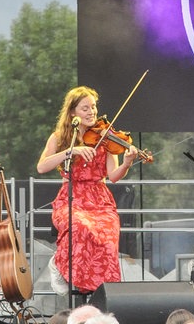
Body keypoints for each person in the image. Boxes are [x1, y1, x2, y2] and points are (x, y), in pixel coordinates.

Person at [37, 86, 141, 296]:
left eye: (93, 107)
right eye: (85, 108)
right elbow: (41, 167)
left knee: (108, 235)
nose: (92, 112)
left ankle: (101, 293)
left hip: (99, 198)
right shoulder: (60, 138)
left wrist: (127, 163)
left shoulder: (107, 137)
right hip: (72, 197)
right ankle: (59, 264)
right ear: (73, 112)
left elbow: (113, 176)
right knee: (79, 226)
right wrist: (70, 151)